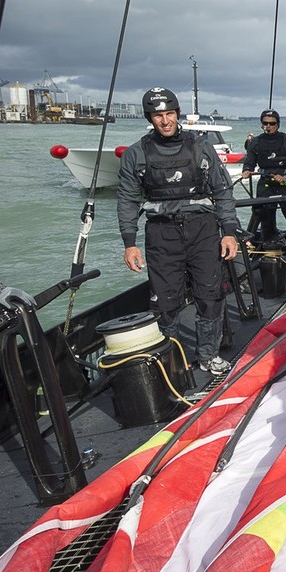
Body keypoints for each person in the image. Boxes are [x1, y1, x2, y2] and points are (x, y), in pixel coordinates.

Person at [117, 87, 240, 376]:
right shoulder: (136, 153)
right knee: (165, 302)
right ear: (150, 117)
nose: (165, 121)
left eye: (169, 114)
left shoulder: (200, 147)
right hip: (162, 234)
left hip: (203, 231)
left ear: (177, 114)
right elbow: (127, 200)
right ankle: (172, 360)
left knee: (210, 295)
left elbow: (223, 191)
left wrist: (229, 231)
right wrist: (129, 243)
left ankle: (208, 355)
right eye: (158, 115)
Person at [240, 109, 286, 271]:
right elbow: (250, 162)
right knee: (266, 222)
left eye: (272, 123)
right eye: (265, 123)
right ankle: (268, 258)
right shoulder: (255, 142)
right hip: (265, 184)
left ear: (278, 124)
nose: (268, 126)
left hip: (284, 185)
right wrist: (246, 170)